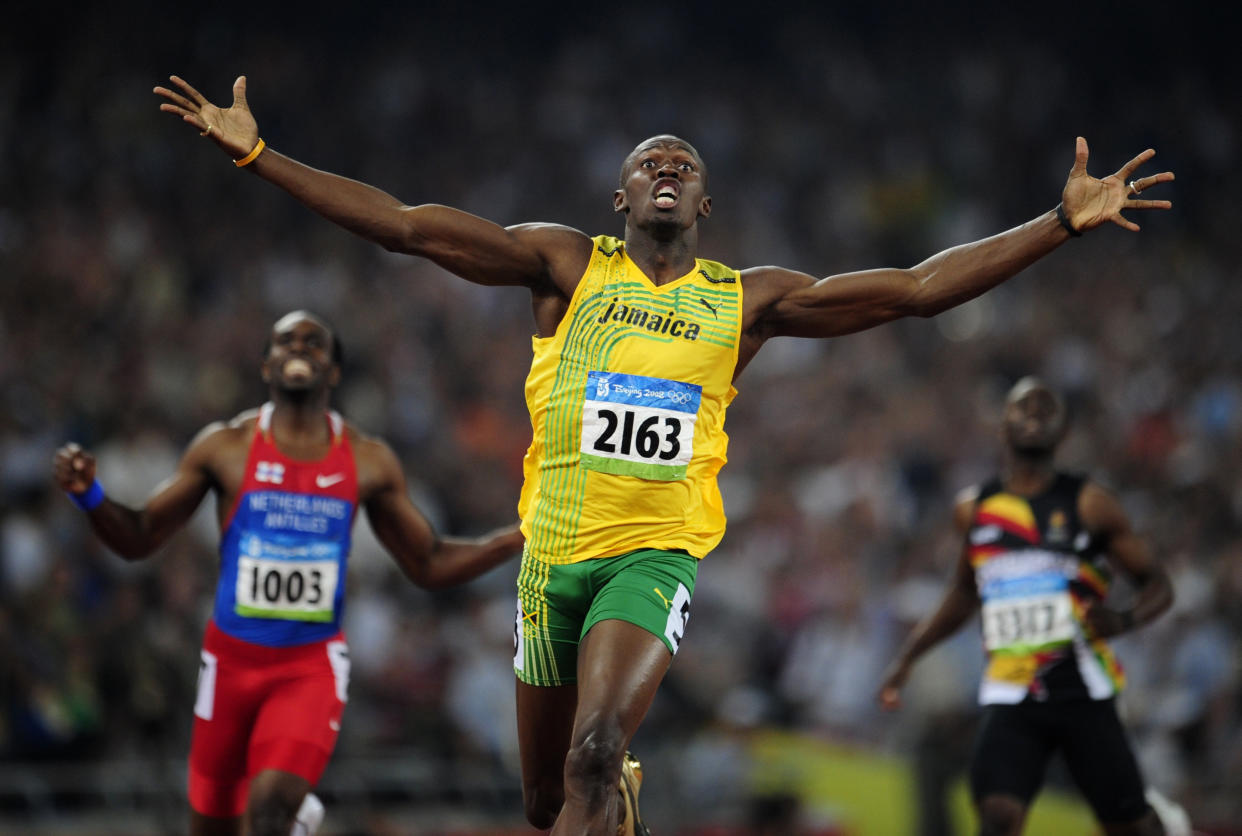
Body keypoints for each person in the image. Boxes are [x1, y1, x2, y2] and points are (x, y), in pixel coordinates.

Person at [153, 74, 1174, 836]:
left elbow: (913, 289)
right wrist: (259, 154)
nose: (668, 165)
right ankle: (612, 800)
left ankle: (616, 778)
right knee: (548, 800)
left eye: (685, 161)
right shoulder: (563, 265)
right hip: (552, 559)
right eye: (649, 159)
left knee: (601, 747)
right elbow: (411, 229)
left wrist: (1055, 225)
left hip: (655, 554)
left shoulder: (746, 300)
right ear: (620, 197)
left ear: (707, 206)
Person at [52, 310, 524, 836]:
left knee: (270, 811)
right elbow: (140, 537)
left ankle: (289, 817)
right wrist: (89, 495)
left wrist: (515, 537)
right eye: (285, 341)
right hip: (229, 665)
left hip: (309, 668)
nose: (299, 348)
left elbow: (428, 562)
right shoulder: (225, 448)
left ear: (335, 372)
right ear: (265, 365)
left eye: (314, 343)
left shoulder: (367, 461)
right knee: (212, 826)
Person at [877, 377, 1176, 836]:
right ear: (1002, 426)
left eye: (1046, 409)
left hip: (1081, 690)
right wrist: (908, 656)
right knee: (997, 814)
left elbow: (1158, 584)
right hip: (1013, 688)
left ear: (1063, 431)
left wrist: (1123, 618)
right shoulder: (975, 510)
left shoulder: (1091, 504)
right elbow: (963, 593)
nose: (1034, 417)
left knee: (1129, 826)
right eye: (1023, 408)